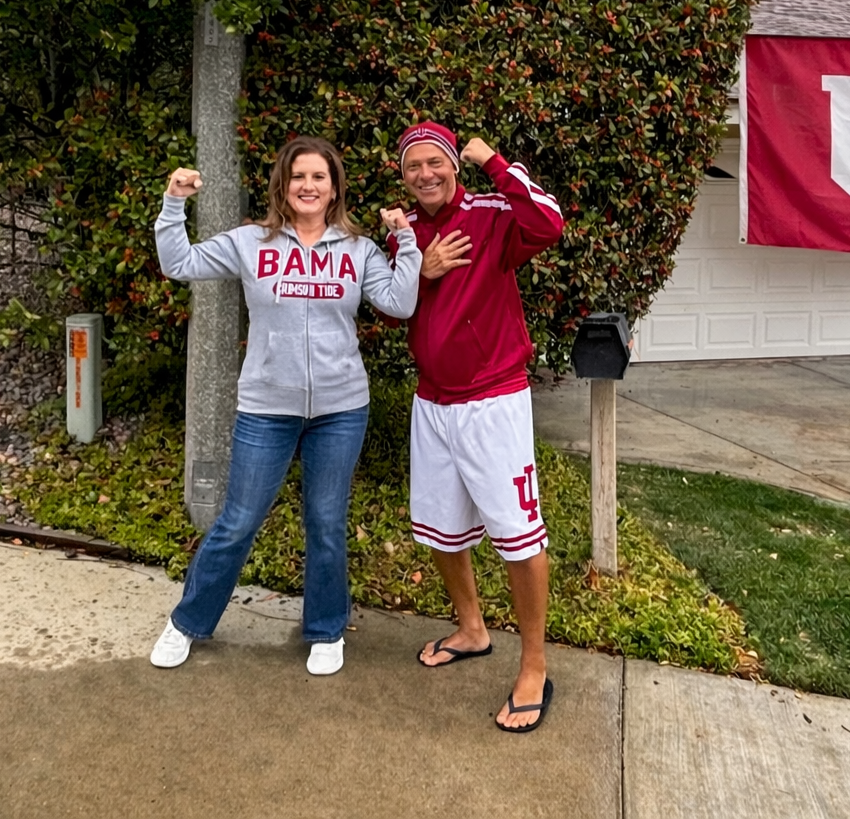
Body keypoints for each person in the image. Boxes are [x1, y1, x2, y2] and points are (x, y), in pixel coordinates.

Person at [149, 136, 422, 675]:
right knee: (239, 519)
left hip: (341, 410)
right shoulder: (252, 242)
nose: (308, 186)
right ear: (283, 184)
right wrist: (174, 202)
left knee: (325, 521)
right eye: (299, 176)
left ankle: (325, 629)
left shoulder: (358, 249)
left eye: (319, 177)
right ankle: (187, 622)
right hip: (265, 408)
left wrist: (406, 243)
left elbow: (400, 301)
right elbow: (178, 263)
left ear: (334, 187)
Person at [390, 121, 564, 732]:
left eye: (435, 162)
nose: (425, 174)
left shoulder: (491, 213)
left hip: (493, 403)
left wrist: (494, 160)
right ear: (403, 176)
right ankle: (472, 628)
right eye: (413, 166)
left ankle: (536, 666)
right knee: (443, 532)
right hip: (432, 404)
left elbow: (549, 222)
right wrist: (420, 269)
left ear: (453, 168)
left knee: (517, 536)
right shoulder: (404, 233)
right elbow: (392, 308)